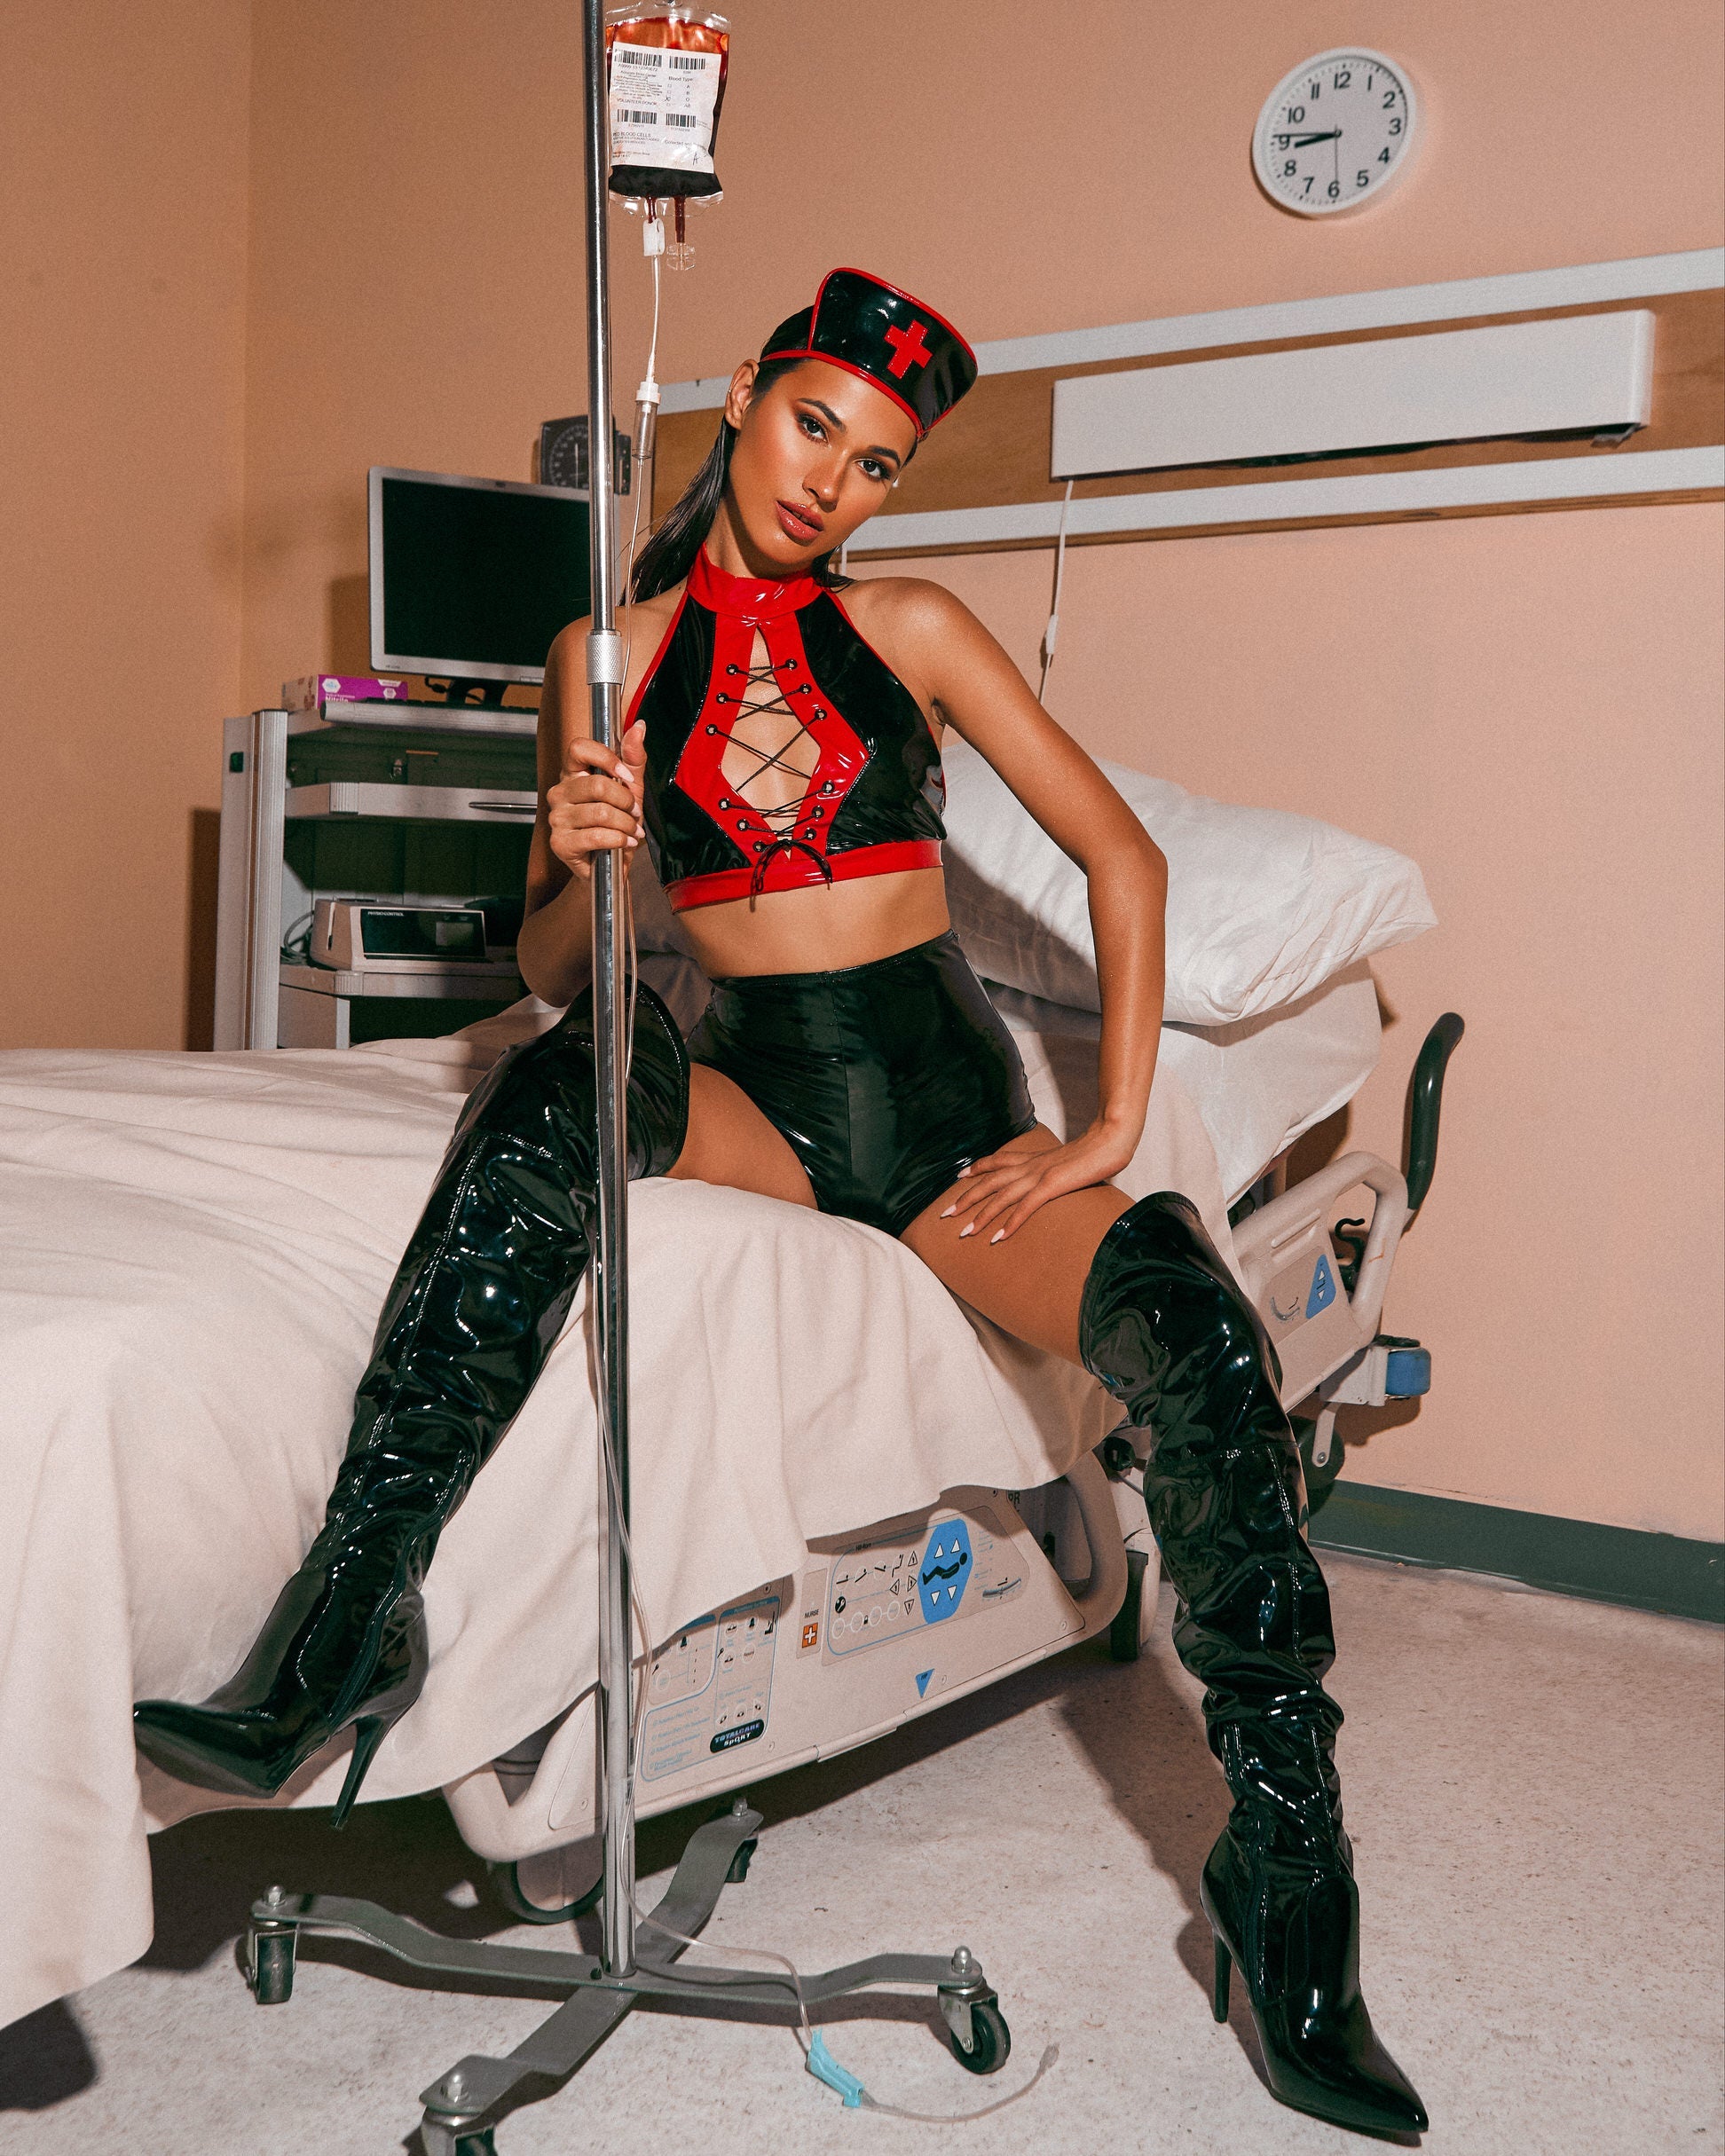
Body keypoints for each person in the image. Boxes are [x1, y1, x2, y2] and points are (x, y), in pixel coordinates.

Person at [136, 269, 1426, 2136]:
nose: (831, 480)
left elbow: (1123, 860)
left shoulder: (910, 625)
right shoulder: (607, 653)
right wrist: (574, 863)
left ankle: (1289, 1882)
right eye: (814, 425)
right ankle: (354, 1610)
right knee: (556, 1093)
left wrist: (1111, 1123)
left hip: (945, 1126)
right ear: (744, 394)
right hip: (764, 1094)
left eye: (876, 463)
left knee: (1203, 1345)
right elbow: (565, 968)